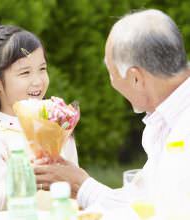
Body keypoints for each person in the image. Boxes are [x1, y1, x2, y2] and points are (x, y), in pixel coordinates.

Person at [33, 9, 190, 218]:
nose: (112, 83)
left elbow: (165, 213)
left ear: (135, 78)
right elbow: (143, 203)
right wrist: (81, 183)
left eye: (111, 72)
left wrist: (81, 186)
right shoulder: (165, 118)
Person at [0, 25, 78, 211]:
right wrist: (28, 177)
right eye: (25, 73)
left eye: (42, 69)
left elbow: (75, 180)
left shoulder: (55, 120)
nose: (38, 80)